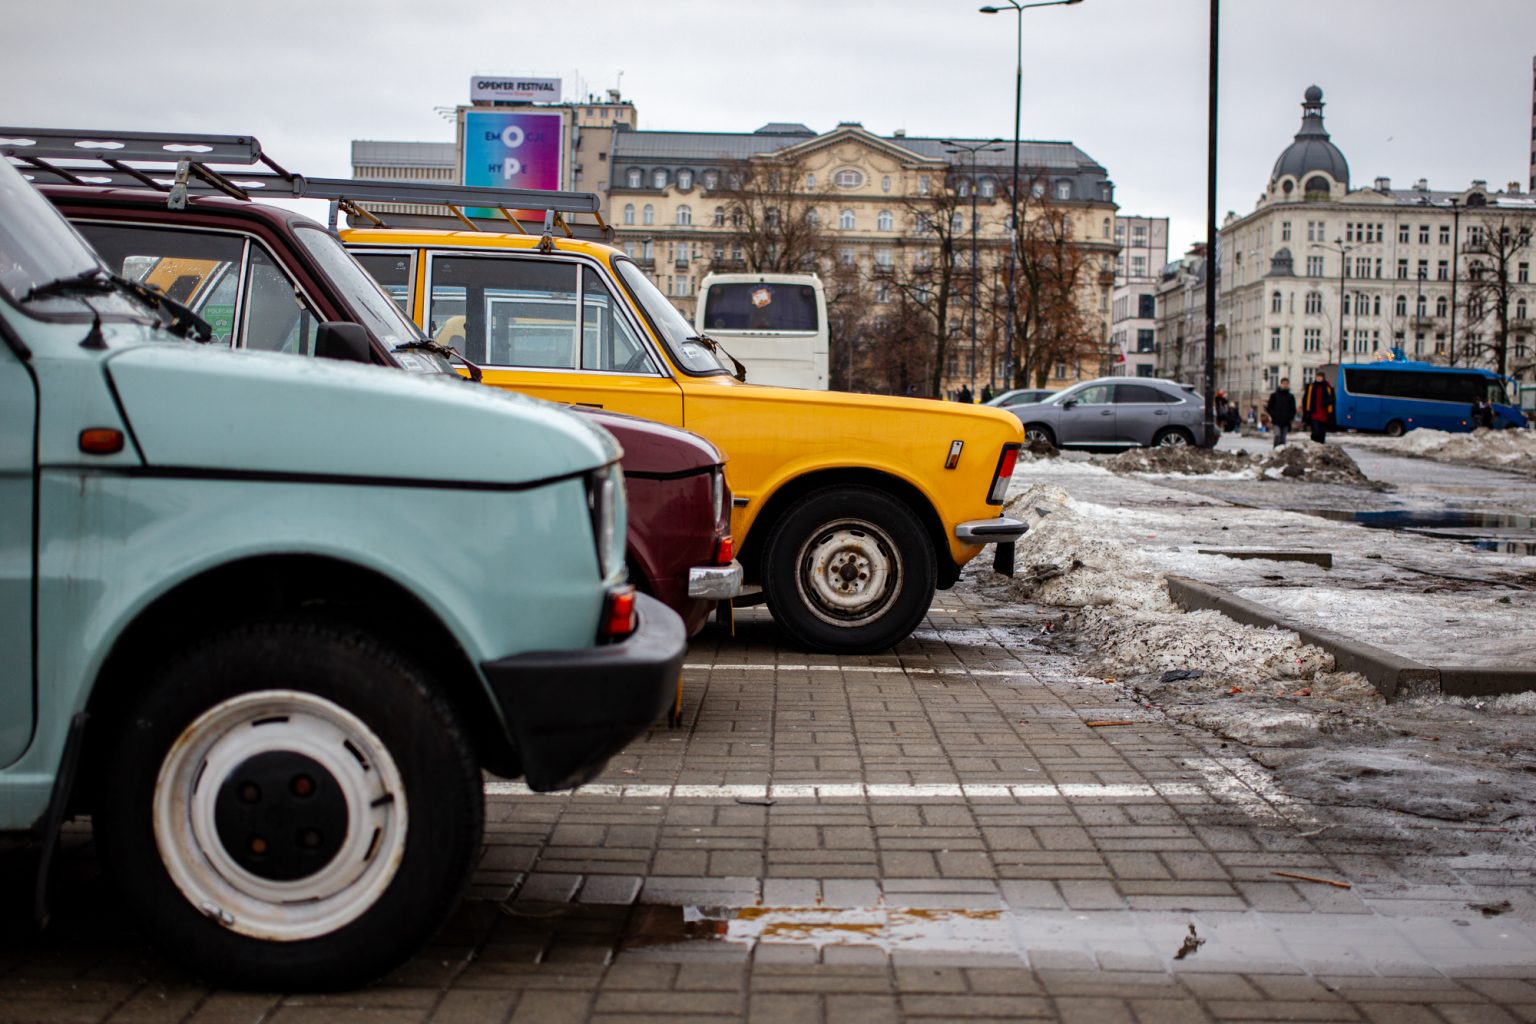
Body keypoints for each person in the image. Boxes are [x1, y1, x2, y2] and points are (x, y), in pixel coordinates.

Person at [1301, 369, 1335, 444]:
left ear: (1323, 378)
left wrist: (1331, 414)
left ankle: (1320, 446)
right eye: (1318, 377)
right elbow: (1306, 400)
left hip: (1324, 414)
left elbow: (1332, 401)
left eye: (1320, 377)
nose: (1319, 378)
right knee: (1315, 432)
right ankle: (1314, 445)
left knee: (1322, 433)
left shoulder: (1327, 388)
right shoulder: (1311, 387)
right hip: (1314, 413)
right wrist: (1306, 413)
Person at [1265, 377, 1297, 447]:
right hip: (1276, 420)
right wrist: (1273, 415)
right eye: (1284, 383)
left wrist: (1290, 417)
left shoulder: (1290, 397)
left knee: (1283, 439)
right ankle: (1275, 449)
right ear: (1280, 384)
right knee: (1277, 435)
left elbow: (1293, 409)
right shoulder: (1274, 395)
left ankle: (1281, 453)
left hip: (1286, 421)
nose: (1285, 385)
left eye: (1286, 384)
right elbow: (1269, 408)